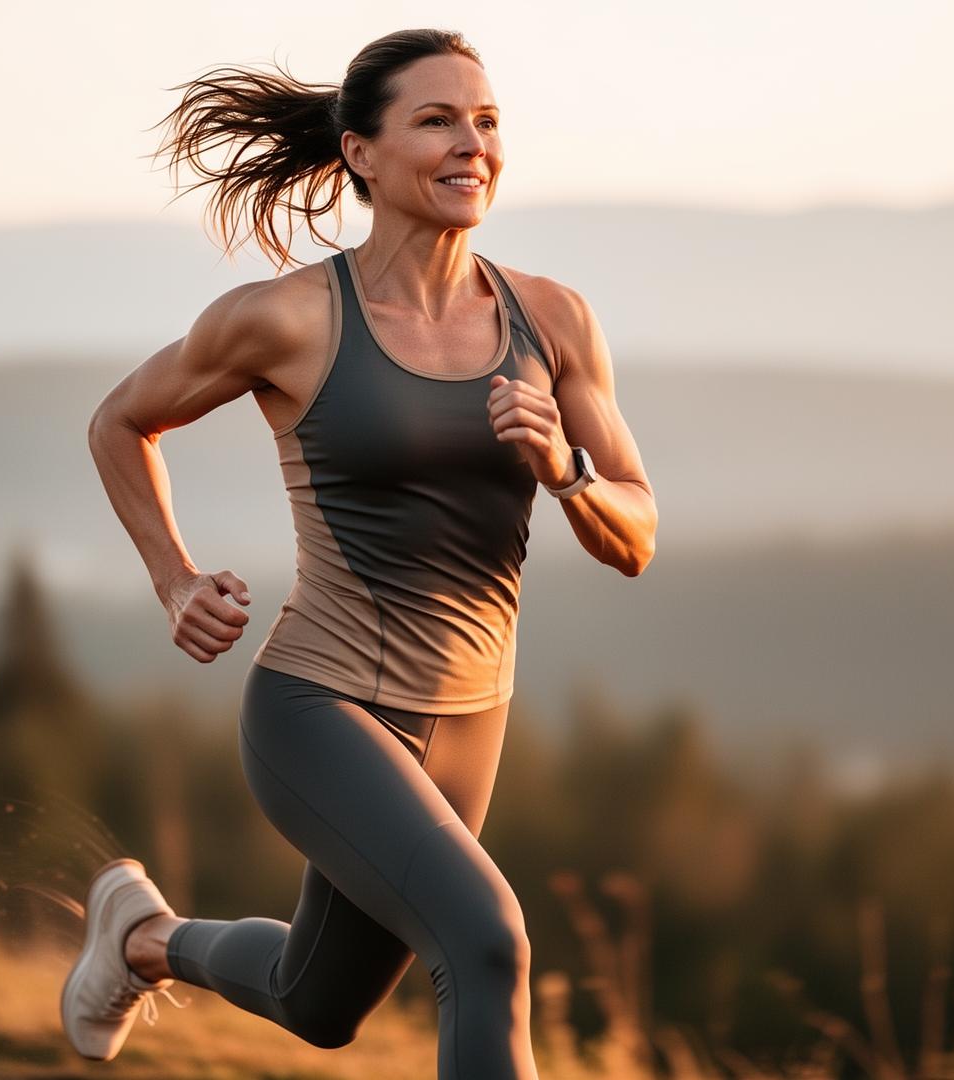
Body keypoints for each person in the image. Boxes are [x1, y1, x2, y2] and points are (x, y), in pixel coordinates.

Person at [69, 28, 657, 1080]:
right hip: (319, 707)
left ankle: (139, 939)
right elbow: (120, 421)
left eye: (486, 121)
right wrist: (174, 578)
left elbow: (638, 532)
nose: (472, 143)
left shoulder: (553, 320)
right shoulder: (290, 319)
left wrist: (566, 467)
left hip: (471, 721)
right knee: (486, 943)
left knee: (320, 999)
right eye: (436, 120)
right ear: (362, 154)